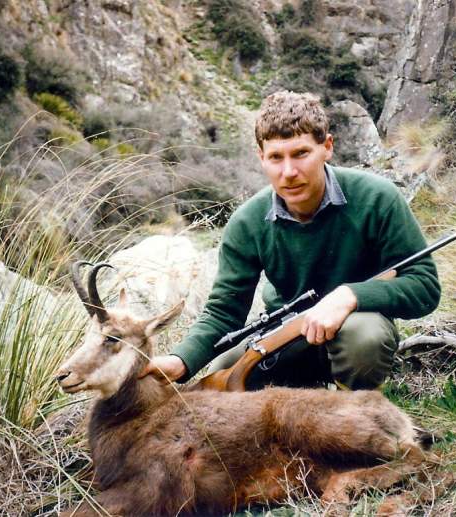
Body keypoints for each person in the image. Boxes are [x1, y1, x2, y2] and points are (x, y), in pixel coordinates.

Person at [141, 90, 440, 390]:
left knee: (365, 337)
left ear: (327, 147)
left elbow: (424, 286)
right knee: (222, 377)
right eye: (275, 157)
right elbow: (223, 312)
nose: (289, 172)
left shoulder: (378, 197)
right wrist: (181, 360)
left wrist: (351, 296)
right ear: (261, 158)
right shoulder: (247, 223)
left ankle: (355, 412)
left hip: (354, 327)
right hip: (284, 335)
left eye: (301, 153)